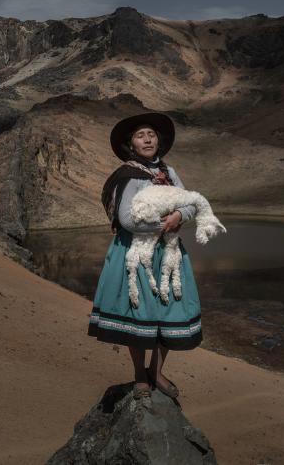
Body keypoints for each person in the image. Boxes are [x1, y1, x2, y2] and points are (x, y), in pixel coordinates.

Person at [88, 111, 203, 403]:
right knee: (138, 315)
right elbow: (126, 218)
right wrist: (161, 225)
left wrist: (178, 214)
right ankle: (140, 373)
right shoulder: (129, 176)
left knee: (167, 309)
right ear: (131, 144)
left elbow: (189, 203)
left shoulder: (170, 172)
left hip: (167, 252)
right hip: (136, 253)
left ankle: (156, 370)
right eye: (141, 135)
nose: (148, 138)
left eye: (151, 134)